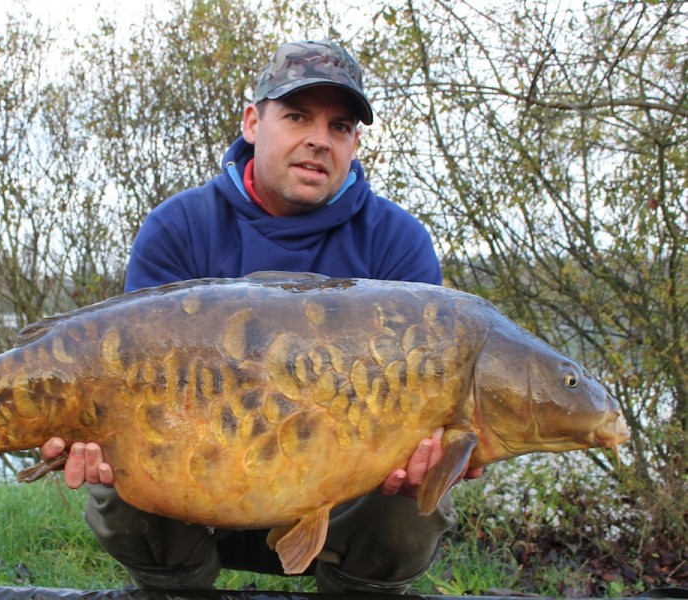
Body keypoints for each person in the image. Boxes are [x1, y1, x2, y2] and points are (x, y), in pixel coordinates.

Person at [40, 39, 481, 593]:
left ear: (355, 142)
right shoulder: (178, 229)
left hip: (343, 501)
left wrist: (444, 458)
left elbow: (432, 401)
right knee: (115, 479)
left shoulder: (397, 245)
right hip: (192, 493)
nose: (319, 139)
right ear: (253, 122)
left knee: (414, 498)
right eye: (297, 115)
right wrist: (77, 427)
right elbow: (124, 374)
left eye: (340, 126)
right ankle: (176, 589)